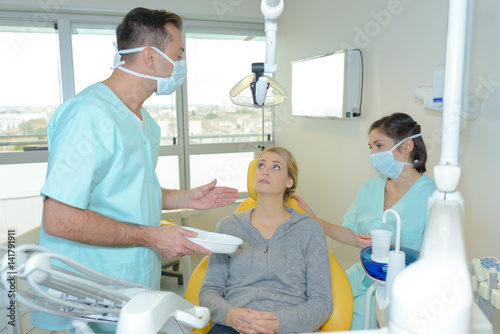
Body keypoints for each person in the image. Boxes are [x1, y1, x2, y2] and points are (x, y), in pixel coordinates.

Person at [31, 7, 239, 333]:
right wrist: (153, 236)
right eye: (178, 54)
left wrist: (187, 198)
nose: (181, 65)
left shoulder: (146, 124)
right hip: (88, 289)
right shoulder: (89, 115)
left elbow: (130, 193)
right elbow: (58, 218)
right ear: (150, 57)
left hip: (132, 283)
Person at [293, 113, 436, 329]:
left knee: (349, 324)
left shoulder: (432, 196)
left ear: (407, 146)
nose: (373, 154)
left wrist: (387, 250)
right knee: (308, 306)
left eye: (379, 146)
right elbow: (352, 235)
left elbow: (436, 260)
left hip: (399, 291)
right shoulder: (371, 187)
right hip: (360, 277)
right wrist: (315, 220)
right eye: (370, 147)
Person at [200, 146, 333, 334]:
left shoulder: (309, 230)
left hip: (288, 326)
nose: (265, 171)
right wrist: (230, 315)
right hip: (234, 325)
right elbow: (209, 291)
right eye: (261, 165)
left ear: (289, 181)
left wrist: (278, 323)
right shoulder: (229, 227)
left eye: (276, 167)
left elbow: (321, 301)